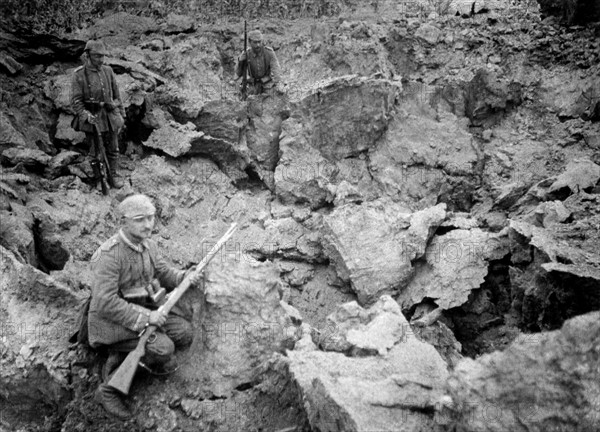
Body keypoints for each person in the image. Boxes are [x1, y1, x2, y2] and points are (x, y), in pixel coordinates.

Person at [88, 194, 203, 419]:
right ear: (123, 221)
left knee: (185, 333)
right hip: (110, 323)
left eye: (151, 218)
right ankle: (110, 387)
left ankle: (133, 354)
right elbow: (104, 302)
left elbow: (163, 272)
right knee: (164, 349)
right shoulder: (108, 256)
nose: (148, 224)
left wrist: (184, 277)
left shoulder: (148, 245)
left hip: (146, 311)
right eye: (140, 219)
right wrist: (146, 318)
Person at [71, 39, 125, 189]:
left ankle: (113, 175)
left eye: (103, 56)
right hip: (93, 118)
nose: (101, 60)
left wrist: (121, 115)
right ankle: (98, 179)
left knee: (114, 148)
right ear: (88, 55)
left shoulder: (108, 71)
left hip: (110, 116)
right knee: (96, 152)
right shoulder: (79, 75)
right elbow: (76, 101)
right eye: (97, 56)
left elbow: (117, 95)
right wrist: (86, 115)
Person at [236, 30, 283, 95]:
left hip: (267, 84)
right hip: (252, 84)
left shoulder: (269, 52)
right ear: (250, 42)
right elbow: (238, 73)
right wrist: (240, 61)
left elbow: (276, 68)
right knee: (247, 99)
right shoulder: (246, 54)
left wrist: (278, 83)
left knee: (271, 98)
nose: (258, 45)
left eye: (259, 42)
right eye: (255, 42)